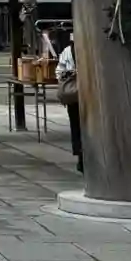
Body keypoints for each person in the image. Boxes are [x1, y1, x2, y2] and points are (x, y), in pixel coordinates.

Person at [57, 27, 81, 172]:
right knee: (78, 125)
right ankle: (81, 155)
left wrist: (66, 74)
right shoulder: (68, 51)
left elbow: (59, 72)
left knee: (76, 125)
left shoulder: (67, 51)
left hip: (73, 94)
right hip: (82, 92)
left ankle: (80, 154)